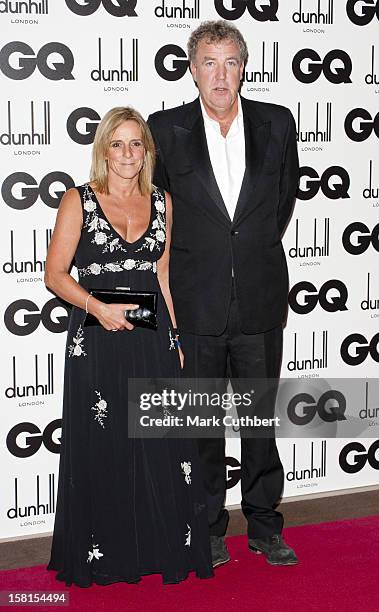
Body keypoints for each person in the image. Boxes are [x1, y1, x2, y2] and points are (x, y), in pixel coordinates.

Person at [148, 20, 299, 567]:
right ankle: (208, 527)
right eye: (208, 62)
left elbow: (280, 204)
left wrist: (246, 251)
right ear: (192, 70)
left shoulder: (277, 123)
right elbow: (157, 213)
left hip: (259, 298)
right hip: (195, 302)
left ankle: (264, 525)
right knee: (202, 427)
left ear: (243, 67)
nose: (220, 74)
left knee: (259, 421)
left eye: (230, 61)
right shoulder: (164, 129)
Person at [45, 106, 213, 586]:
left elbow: (162, 275)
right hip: (95, 341)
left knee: (159, 447)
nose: (127, 153)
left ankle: (158, 549)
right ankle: (105, 555)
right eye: (117, 143)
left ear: (147, 150)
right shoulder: (78, 200)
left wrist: (175, 337)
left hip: (151, 337)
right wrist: (99, 309)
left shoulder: (163, 201)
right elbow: (55, 275)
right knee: (104, 445)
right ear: (103, 150)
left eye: (136, 143)